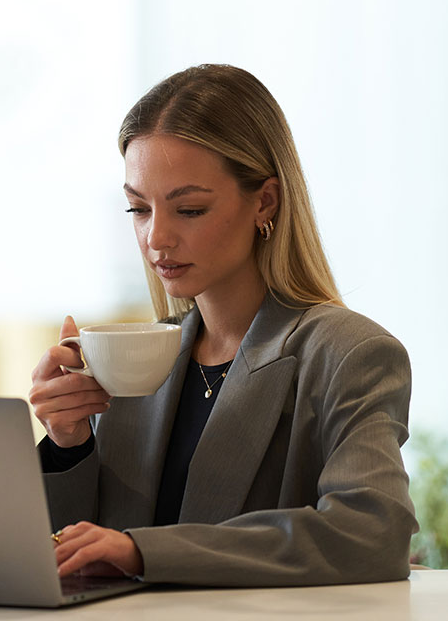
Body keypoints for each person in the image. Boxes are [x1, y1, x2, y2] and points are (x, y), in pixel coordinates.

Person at [27, 64, 416, 587]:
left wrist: (144, 552)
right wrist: (66, 444)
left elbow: (371, 535)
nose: (156, 238)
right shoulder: (133, 360)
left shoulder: (348, 353)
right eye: (138, 209)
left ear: (265, 202)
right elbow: (73, 557)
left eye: (188, 209)